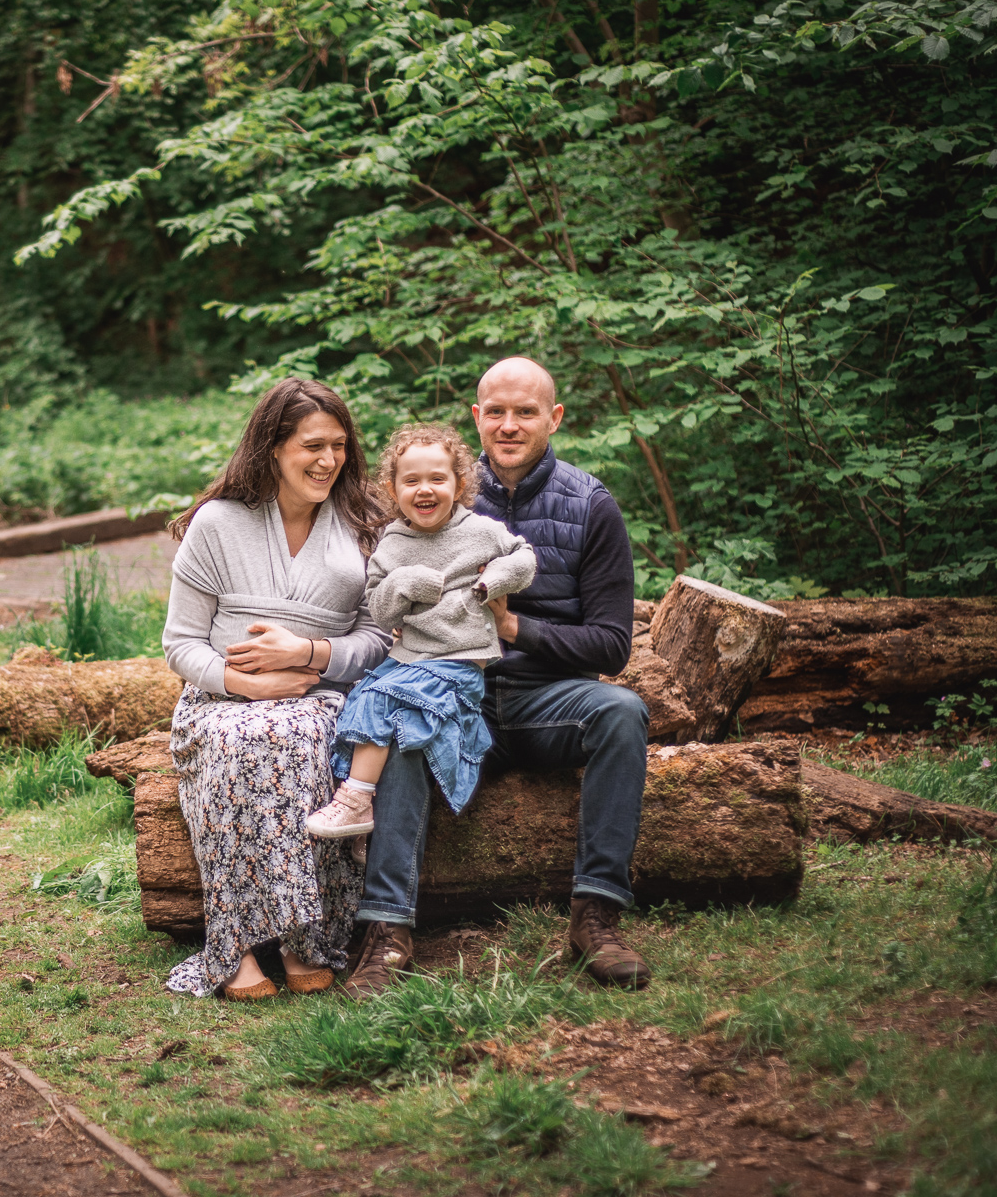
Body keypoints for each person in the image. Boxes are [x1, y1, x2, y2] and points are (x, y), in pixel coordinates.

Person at [159, 378, 393, 1000]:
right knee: (244, 741)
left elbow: (378, 639)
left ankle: (302, 939)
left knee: (300, 735)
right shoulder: (218, 523)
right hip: (218, 699)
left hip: (320, 693)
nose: (329, 460)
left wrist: (310, 655)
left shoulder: (363, 524)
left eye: (339, 446)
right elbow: (180, 645)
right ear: (271, 449)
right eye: (312, 446)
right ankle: (234, 944)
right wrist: (242, 684)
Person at [302, 424, 538, 998]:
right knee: (366, 699)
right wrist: (404, 582)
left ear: (460, 483)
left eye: (438, 478)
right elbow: (380, 610)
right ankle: (363, 822)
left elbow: (525, 559)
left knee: (383, 698)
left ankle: (356, 798)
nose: (425, 488)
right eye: (412, 480)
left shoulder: (480, 530)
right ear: (394, 486)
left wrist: (490, 585)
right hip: (409, 661)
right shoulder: (390, 545)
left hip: (461, 668)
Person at [469, 356, 653, 988]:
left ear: (555, 419)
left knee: (623, 712)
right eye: (497, 412)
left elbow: (610, 646)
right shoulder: (441, 494)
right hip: (463, 697)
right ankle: (387, 927)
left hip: (551, 700)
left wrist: (516, 628)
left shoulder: (591, 505)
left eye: (526, 412)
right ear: (477, 418)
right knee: (392, 733)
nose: (510, 425)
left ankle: (595, 916)